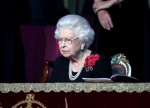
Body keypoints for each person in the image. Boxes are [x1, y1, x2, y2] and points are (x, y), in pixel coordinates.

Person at [48, 14, 112, 82]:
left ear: (83, 42)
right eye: (60, 40)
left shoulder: (100, 63)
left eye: (68, 40)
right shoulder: (60, 62)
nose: (62, 45)